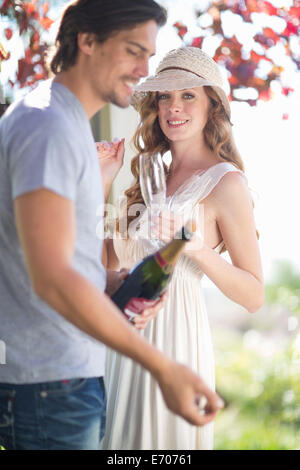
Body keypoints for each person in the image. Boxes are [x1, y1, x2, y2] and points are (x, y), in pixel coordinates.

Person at [0, 2, 224, 451]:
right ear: (86, 41)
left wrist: (112, 281)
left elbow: (49, 258)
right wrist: (162, 368)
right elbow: (53, 279)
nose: (145, 70)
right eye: (133, 51)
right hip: (51, 384)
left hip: (63, 377)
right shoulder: (48, 127)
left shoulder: (60, 123)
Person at [100, 46, 264, 450]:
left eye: (188, 94)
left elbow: (254, 295)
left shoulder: (226, 184)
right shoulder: (149, 176)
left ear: (213, 105)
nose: (174, 107)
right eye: (165, 96)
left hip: (177, 343)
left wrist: (193, 247)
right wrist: (103, 181)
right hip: (124, 341)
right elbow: (104, 263)